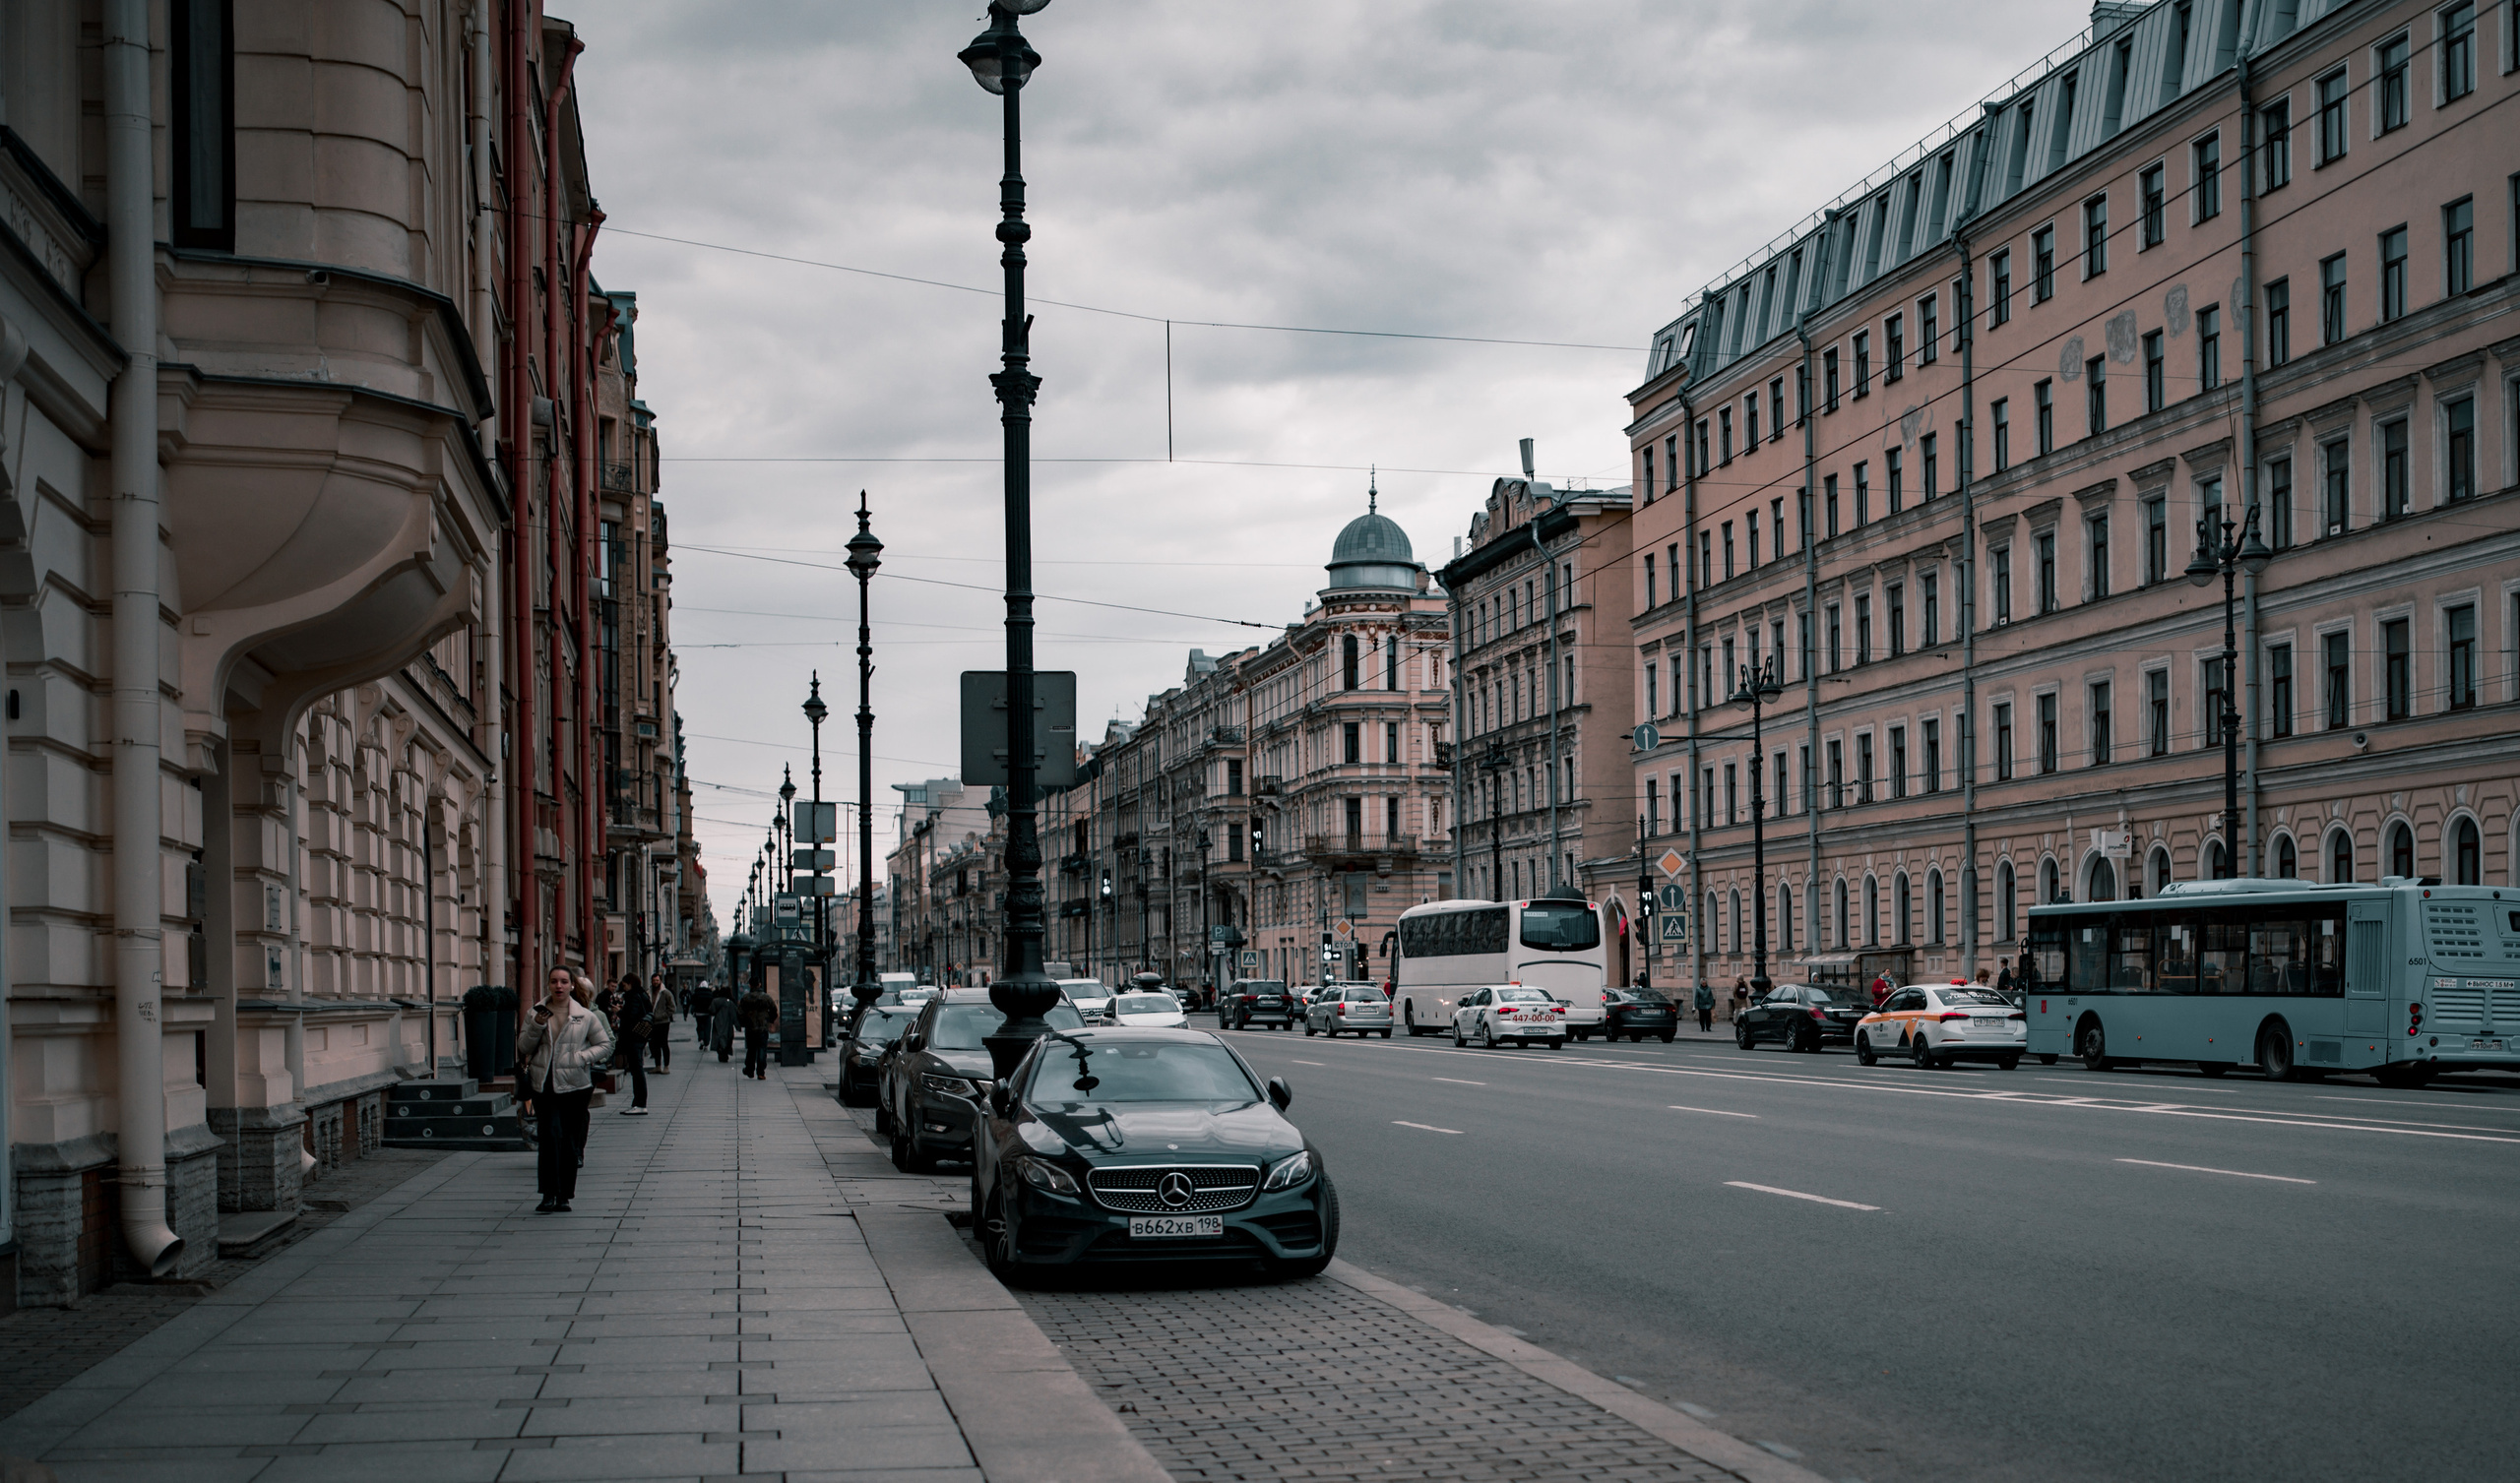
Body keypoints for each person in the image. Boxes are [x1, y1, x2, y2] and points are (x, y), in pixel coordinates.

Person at [517, 964, 612, 1212]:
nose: (558, 986)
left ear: (571, 986)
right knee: (549, 1138)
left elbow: (605, 1045)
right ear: (548, 985)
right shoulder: (536, 1012)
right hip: (544, 1084)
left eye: (563, 981)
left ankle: (564, 1196)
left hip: (575, 1086)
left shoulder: (584, 1016)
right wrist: (536, 1025)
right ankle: (548, 1194)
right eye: (553, 981)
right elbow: (524, 1046)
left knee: (569, 1140)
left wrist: (581, 1057)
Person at [614, 973, 652, 1115]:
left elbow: (631, 1017)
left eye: (624, 985)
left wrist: (619, 1012)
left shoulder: (633, 996)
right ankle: (638, 1103)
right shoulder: (643, 994)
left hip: (634, 1037)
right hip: (640, 1036)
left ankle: (640, 1103)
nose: (623, 988)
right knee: (637, 1070)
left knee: (637, 1070)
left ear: (629, 983)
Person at [737, 980, 779, 1079]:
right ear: (759, 984)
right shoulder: (766, 997)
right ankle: (760, 1072)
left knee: (751, 1049)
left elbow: (740, 1012)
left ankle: (750, 1069)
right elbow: (774, 1009)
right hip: (762, 1027)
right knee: (762, 1049)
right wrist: (770, 1020)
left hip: (750, 1027)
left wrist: (744, 1022)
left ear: (750, 985)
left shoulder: (746, 997)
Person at [648, 973, 676, 1074]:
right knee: (654, 1044)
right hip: (652, 1022)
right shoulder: (649, 993)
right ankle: (657, 1066)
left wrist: (662, 1015)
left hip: (663, 1022)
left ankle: (666, 1066)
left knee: (664, 1044)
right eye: (654, 980)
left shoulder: (665, 993)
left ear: (660, 981)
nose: (655, 982)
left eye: (657, 980)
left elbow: (672, 1008)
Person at [713, 985, 737, 1063]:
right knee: (728, 1037)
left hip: (718, 1022)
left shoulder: (716, 1001)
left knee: (719, 1037)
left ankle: (721, 1051)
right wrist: (738, 1025)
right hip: (728, 1023)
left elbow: (711, 1010)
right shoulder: (730, 1003)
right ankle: (725, 1052)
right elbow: (734, 1015)